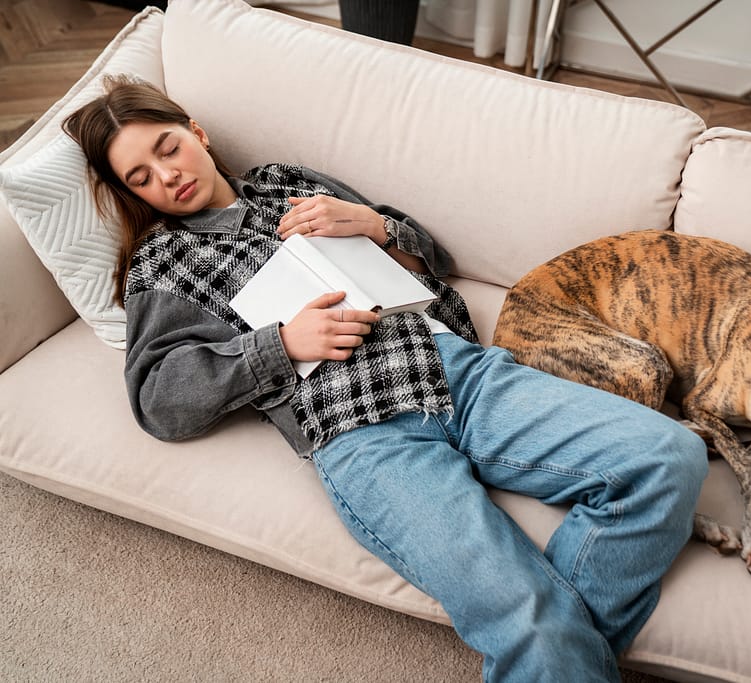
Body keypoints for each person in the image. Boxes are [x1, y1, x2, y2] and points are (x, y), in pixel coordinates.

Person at [63, 75, 708, 683]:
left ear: (196, 133)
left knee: (669, 455)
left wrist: (374, 225)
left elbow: (434, 260)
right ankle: (552, 651)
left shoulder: (284, 181)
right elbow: (156, 400)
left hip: (457, 371)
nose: (167, 176)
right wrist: (279, 346)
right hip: (362, 437)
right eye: (141, 177)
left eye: (167, 148)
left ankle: (558, 656)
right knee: (531, 620)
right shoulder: (163, 263)